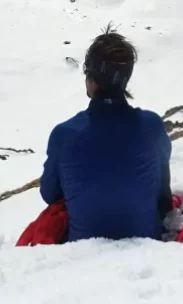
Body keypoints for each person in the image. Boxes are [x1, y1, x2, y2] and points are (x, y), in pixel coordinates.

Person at [40, 26, 173, 242]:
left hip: (81, 250)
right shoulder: (152, 126)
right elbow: (162, 192)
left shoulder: (63, 135)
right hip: (150, 243)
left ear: (91, 81)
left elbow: (50, 194)